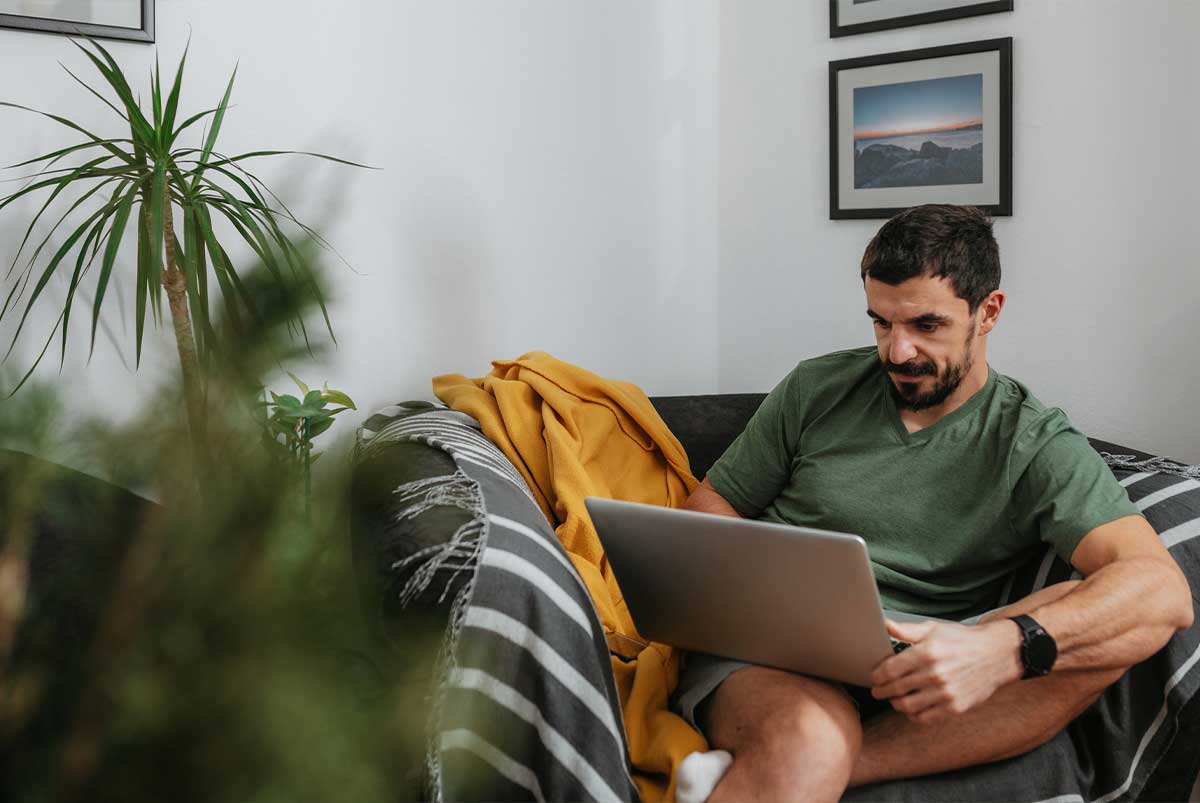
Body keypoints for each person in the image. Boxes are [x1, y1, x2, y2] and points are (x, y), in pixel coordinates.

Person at [675, 204, 1194, 803]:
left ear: (988, 312)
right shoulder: (815, 389)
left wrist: (1004, 647)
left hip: (925, 660)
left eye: (926, 325)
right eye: (881, 324)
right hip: (775, 649)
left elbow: (1163, 591)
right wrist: (752, 586)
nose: (897, 352)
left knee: (1101, 628)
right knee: (813, 736)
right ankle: (813, 757)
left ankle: (802, 768)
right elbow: (712, 502)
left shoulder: (1032, 440)